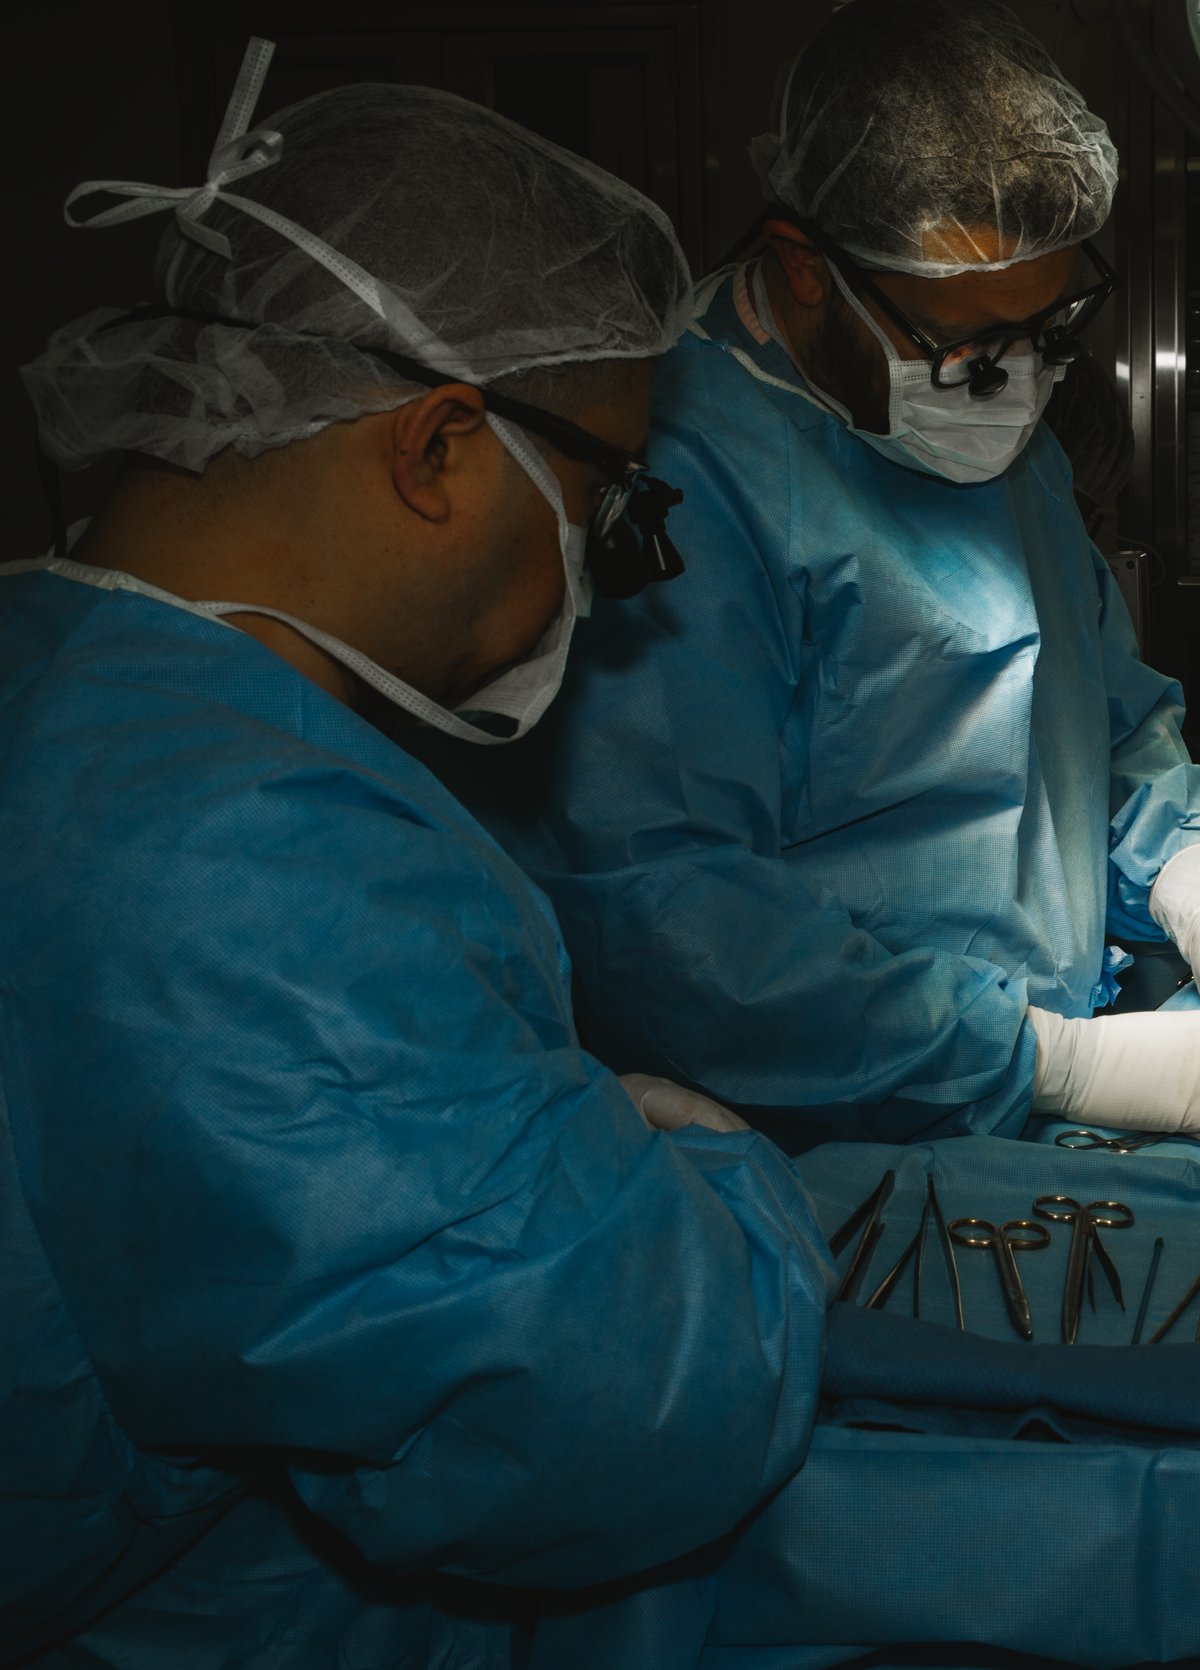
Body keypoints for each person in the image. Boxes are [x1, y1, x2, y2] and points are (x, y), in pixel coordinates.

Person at [1, 46, 833, 1661]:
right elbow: (630, 1416)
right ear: (442, 448)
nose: (602, 578)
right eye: (607, 516)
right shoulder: (245, 864)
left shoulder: (67, 691)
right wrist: (715, 1177)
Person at [432, 0, 1200, 1151]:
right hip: (822, 1132)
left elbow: (1102, 722)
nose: (1005, 377)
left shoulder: (999, 427)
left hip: (1029, 1097)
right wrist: (1051, 1060)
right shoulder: (674, 473)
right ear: (807, 269)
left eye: (1041, 327)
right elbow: (669, 912)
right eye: (963, 339)